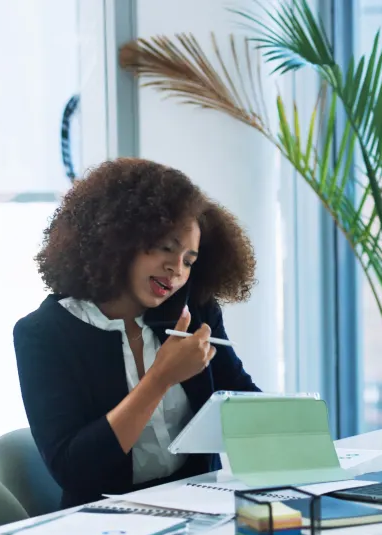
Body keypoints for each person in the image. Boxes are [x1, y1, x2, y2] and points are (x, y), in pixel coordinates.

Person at [14, 158, 259, 509]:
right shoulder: (43, 335)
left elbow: (244, 400)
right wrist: (160, 378)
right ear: (118, 239)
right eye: (166, 248)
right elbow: (74, 469)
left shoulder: (194, 313)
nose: (176, 269)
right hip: (102, 524)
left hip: (198, 509)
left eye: (190, 260)